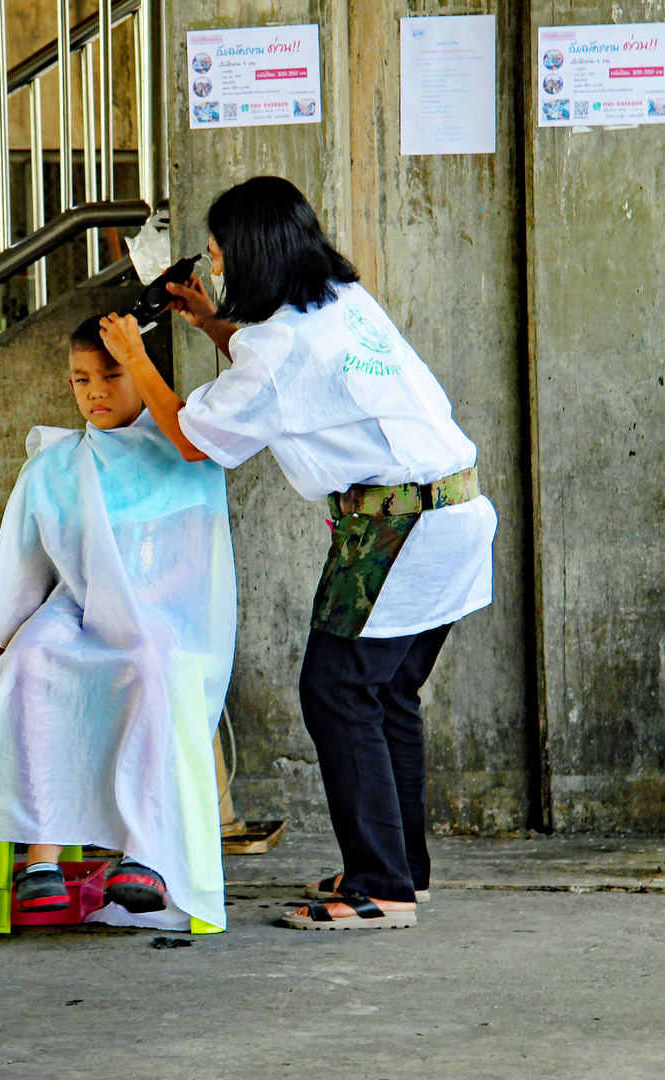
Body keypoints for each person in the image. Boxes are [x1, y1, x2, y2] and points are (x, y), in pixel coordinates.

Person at [98, 175, 497, 931]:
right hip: (455, 510)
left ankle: (380, 890)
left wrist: (134, 355)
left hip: (396, 526)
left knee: (338, 691)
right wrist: (214, 324)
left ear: (250, 257)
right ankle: (399, 867)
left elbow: (192, 438)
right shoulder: (340, 303)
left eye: (216, 257)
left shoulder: (277, 349)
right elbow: (277, 381)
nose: (211, 269)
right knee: (383, 695)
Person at [0, 316, 237, 932]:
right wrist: (10, 637)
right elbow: (22, 568)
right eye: (80, 379)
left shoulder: (187, 459)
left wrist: (139, 610)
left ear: (144, 376)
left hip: (160, 618)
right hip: (79, 612)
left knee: (147, 662)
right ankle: (40, 857)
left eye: (111, 375)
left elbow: (197, 569)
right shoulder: (56, 465)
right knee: (34, 657)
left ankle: (142, 854)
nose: (94, 392)